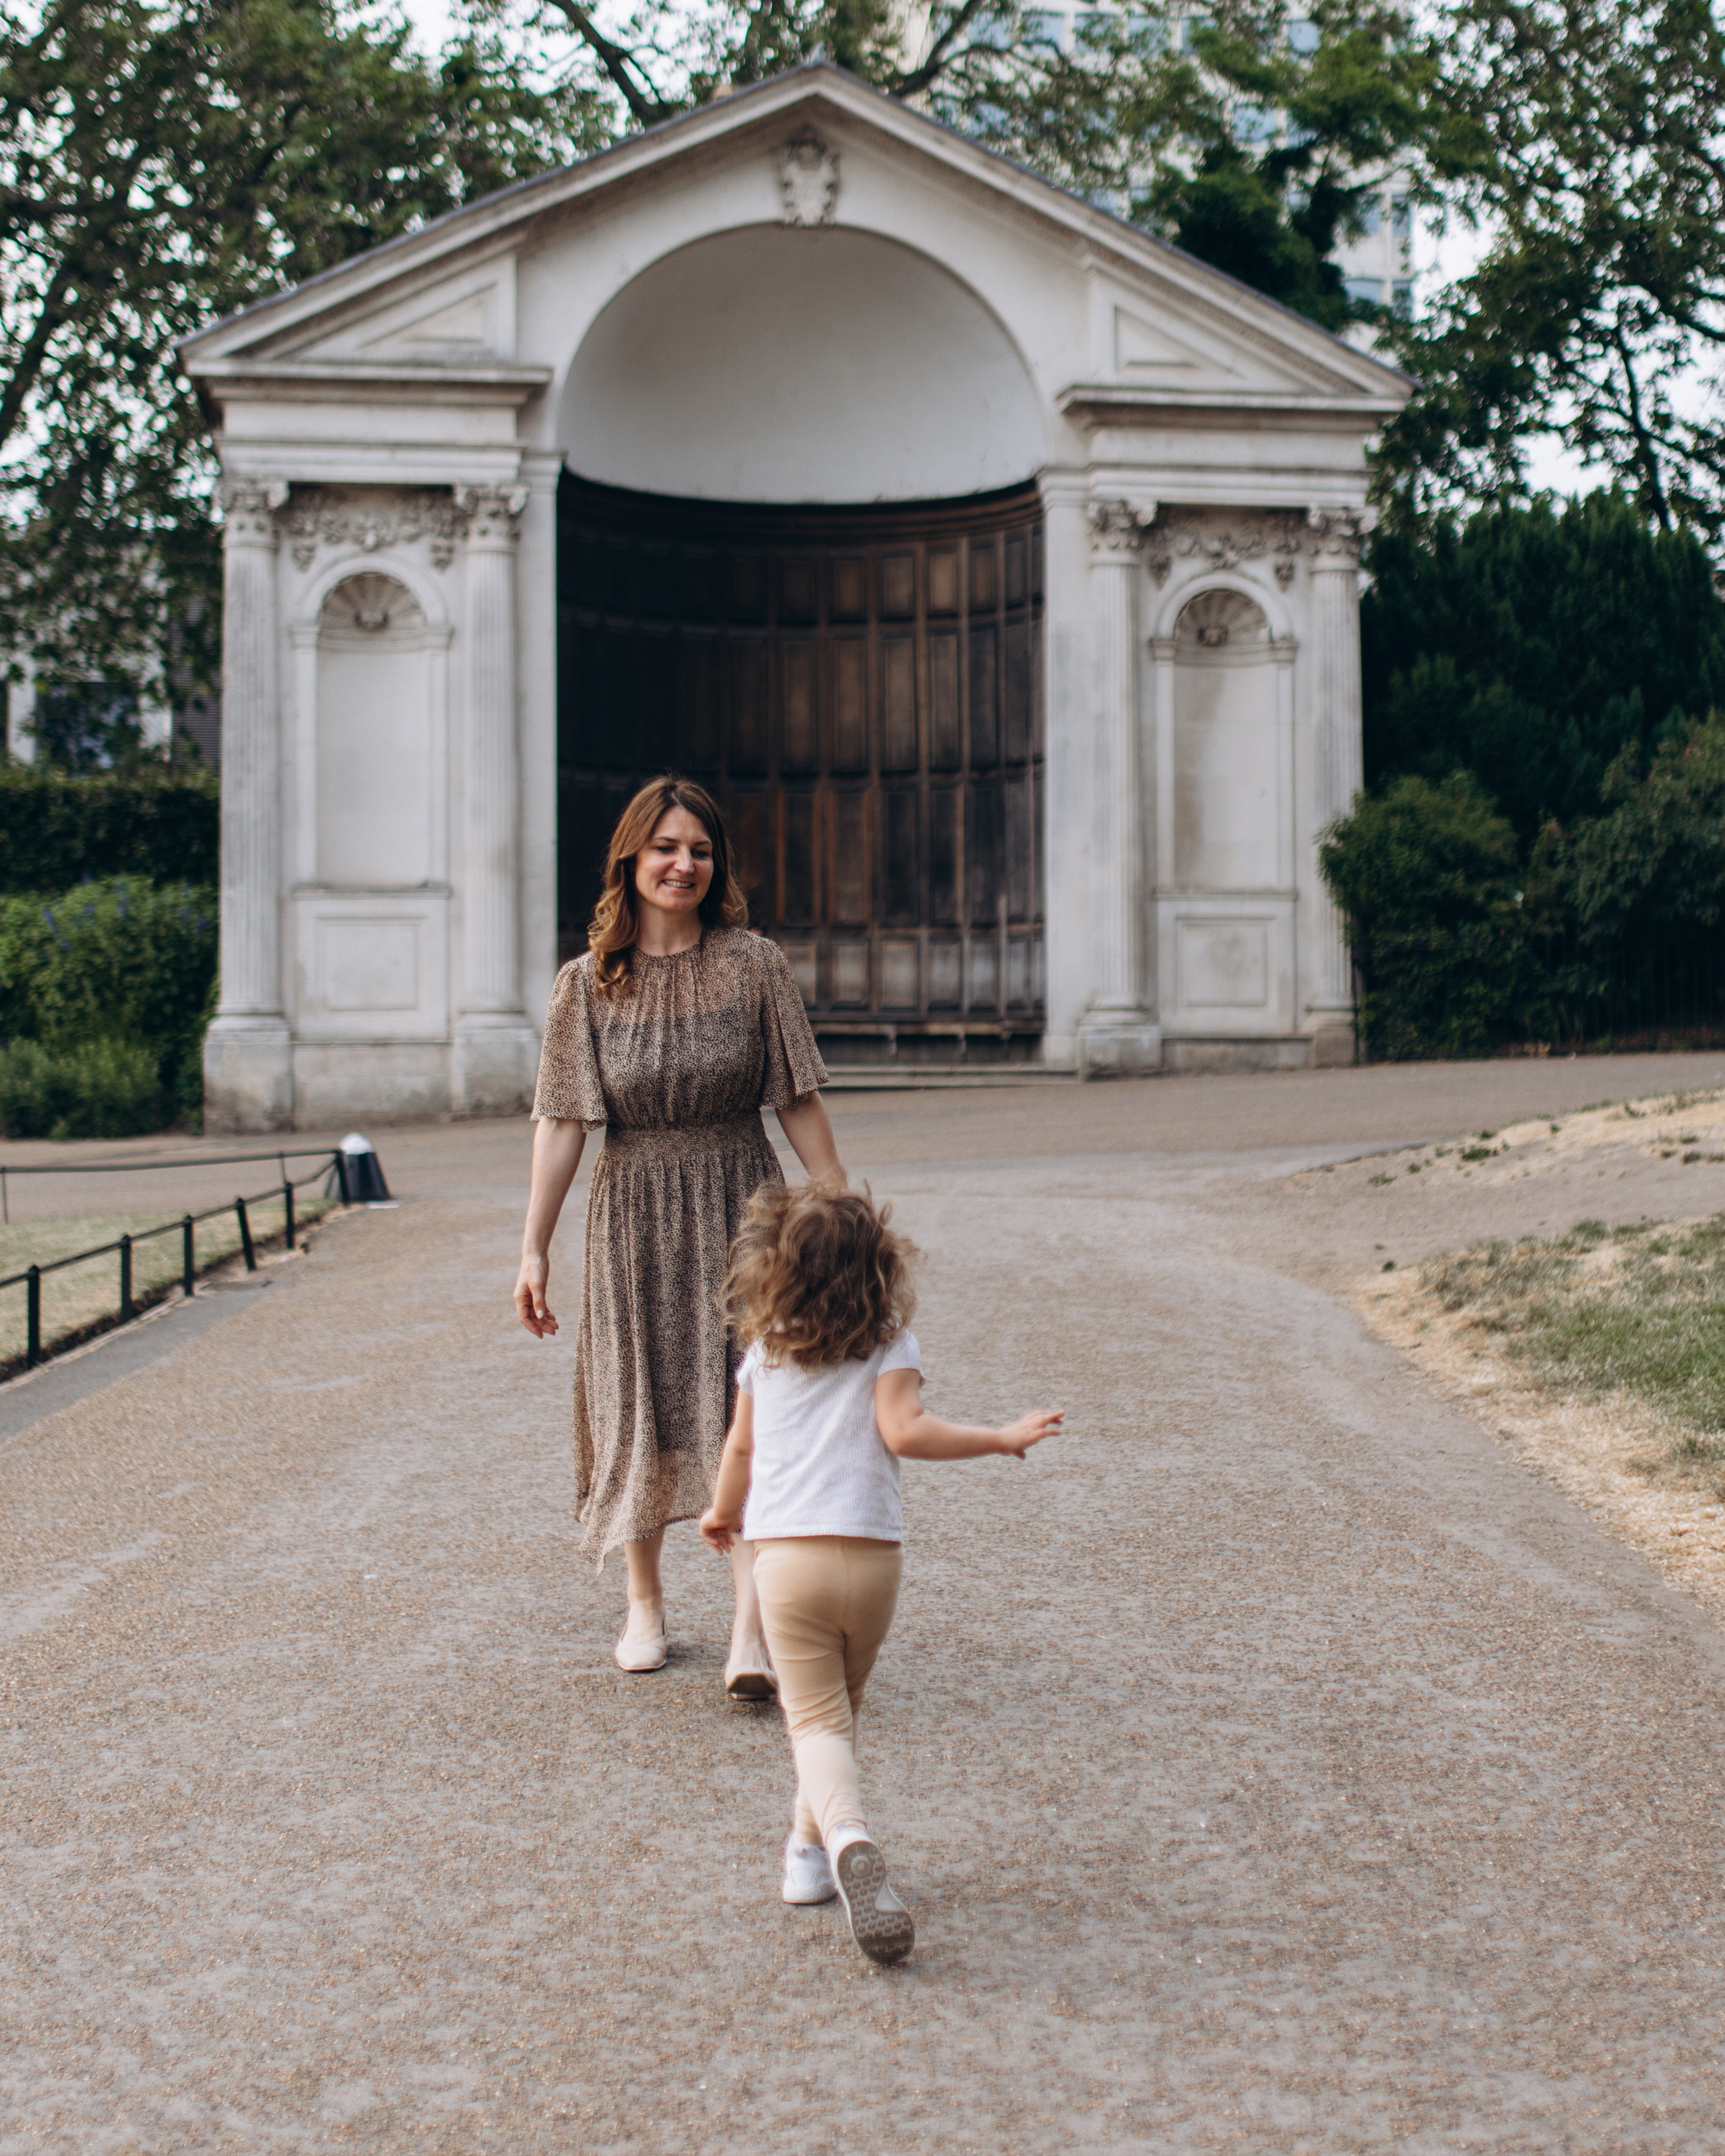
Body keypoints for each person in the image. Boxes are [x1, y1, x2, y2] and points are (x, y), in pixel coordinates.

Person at [515, 776, 846, 1690]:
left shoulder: (754, 963)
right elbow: (562, 1123)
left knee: (754, 1405)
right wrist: (534, 1245)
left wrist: (840, 1210)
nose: (683, 863)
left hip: (745, 1205)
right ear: (631, 858)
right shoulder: (585, 983)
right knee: (643, 1400)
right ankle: (645, 1602)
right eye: (665, 847)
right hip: (633, 1212)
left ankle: (751, 1629)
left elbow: (797, 1095)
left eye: (699, 849)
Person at [699, 1183, 1063, 1966]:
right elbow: (907, 1431)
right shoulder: (891, 1344)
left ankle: (847, 1836)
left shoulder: (763, 1352)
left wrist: (721, 1512)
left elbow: (740, 1450)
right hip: (872, 1559)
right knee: (836, 1710)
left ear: (776, 1270)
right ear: (878, 1270)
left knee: (815, 1721)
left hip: (786, 1561)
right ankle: (805, 1858)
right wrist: (1000, 1437)